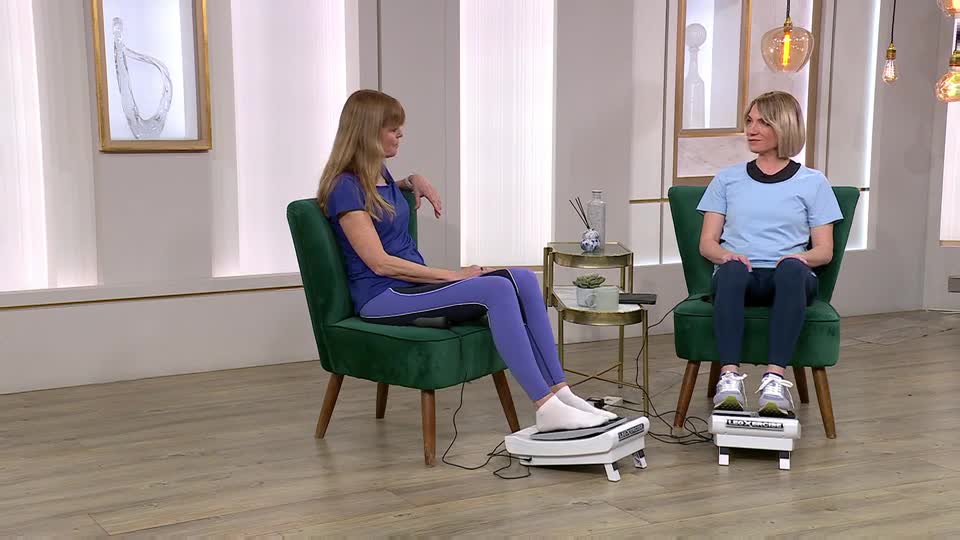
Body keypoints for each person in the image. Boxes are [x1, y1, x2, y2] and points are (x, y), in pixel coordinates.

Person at [317, 89, 615, 433]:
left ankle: (562, 393)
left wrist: (413, 180)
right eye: (392, 128)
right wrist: (453, 276)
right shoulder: (345, 187)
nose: (401, 134)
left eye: (400, 127)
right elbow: (380, 263)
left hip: (410, 287)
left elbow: (387, 192)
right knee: (496, 291)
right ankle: (546, 408)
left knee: (523, 279)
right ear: (367, 131)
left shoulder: (379, 174)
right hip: (383, 296)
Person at [697, 91, 843, 418]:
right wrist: (727, 255)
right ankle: (730, 379)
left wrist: (799, 259)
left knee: (792, 271)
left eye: (763, 122)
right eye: (749, 121)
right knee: (731, 270)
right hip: (741, 276)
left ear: (784, 125)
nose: (752, 128)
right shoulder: (727, 179)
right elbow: (707, 243)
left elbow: (824, 250)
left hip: (789, 276)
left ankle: (774, 382)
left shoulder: (813, 182)